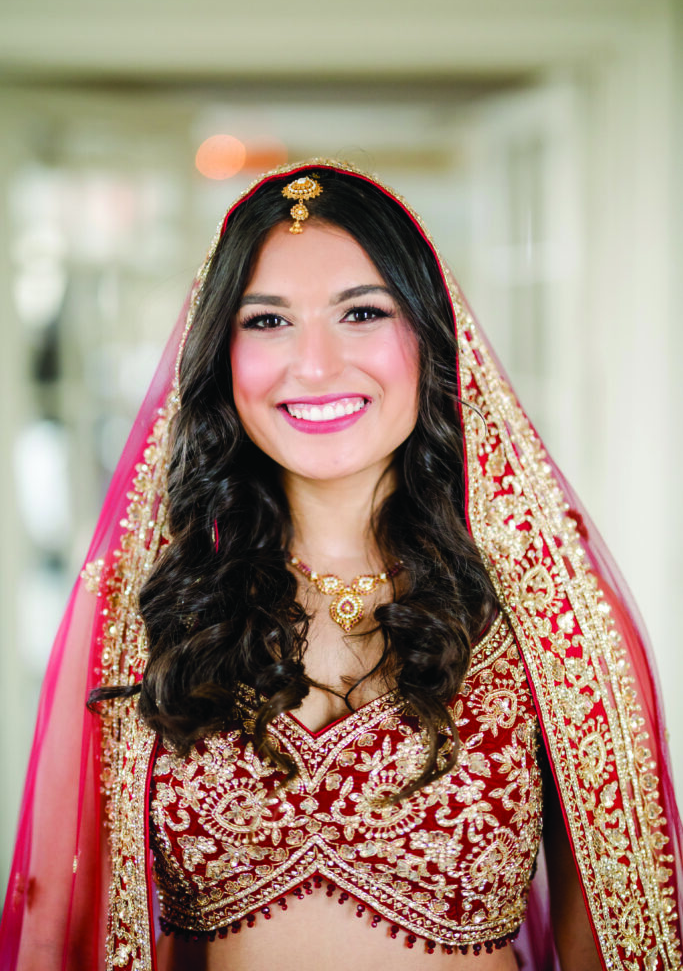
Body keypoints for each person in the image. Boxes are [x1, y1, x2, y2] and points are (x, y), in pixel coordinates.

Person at [1, 159, 681, 971]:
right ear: (218, 353)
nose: (314, 365)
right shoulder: (149, 613)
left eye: (361, 312)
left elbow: (623, 937)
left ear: (435, 338)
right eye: (265, 322)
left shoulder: (550, 619)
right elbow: (68, 926)